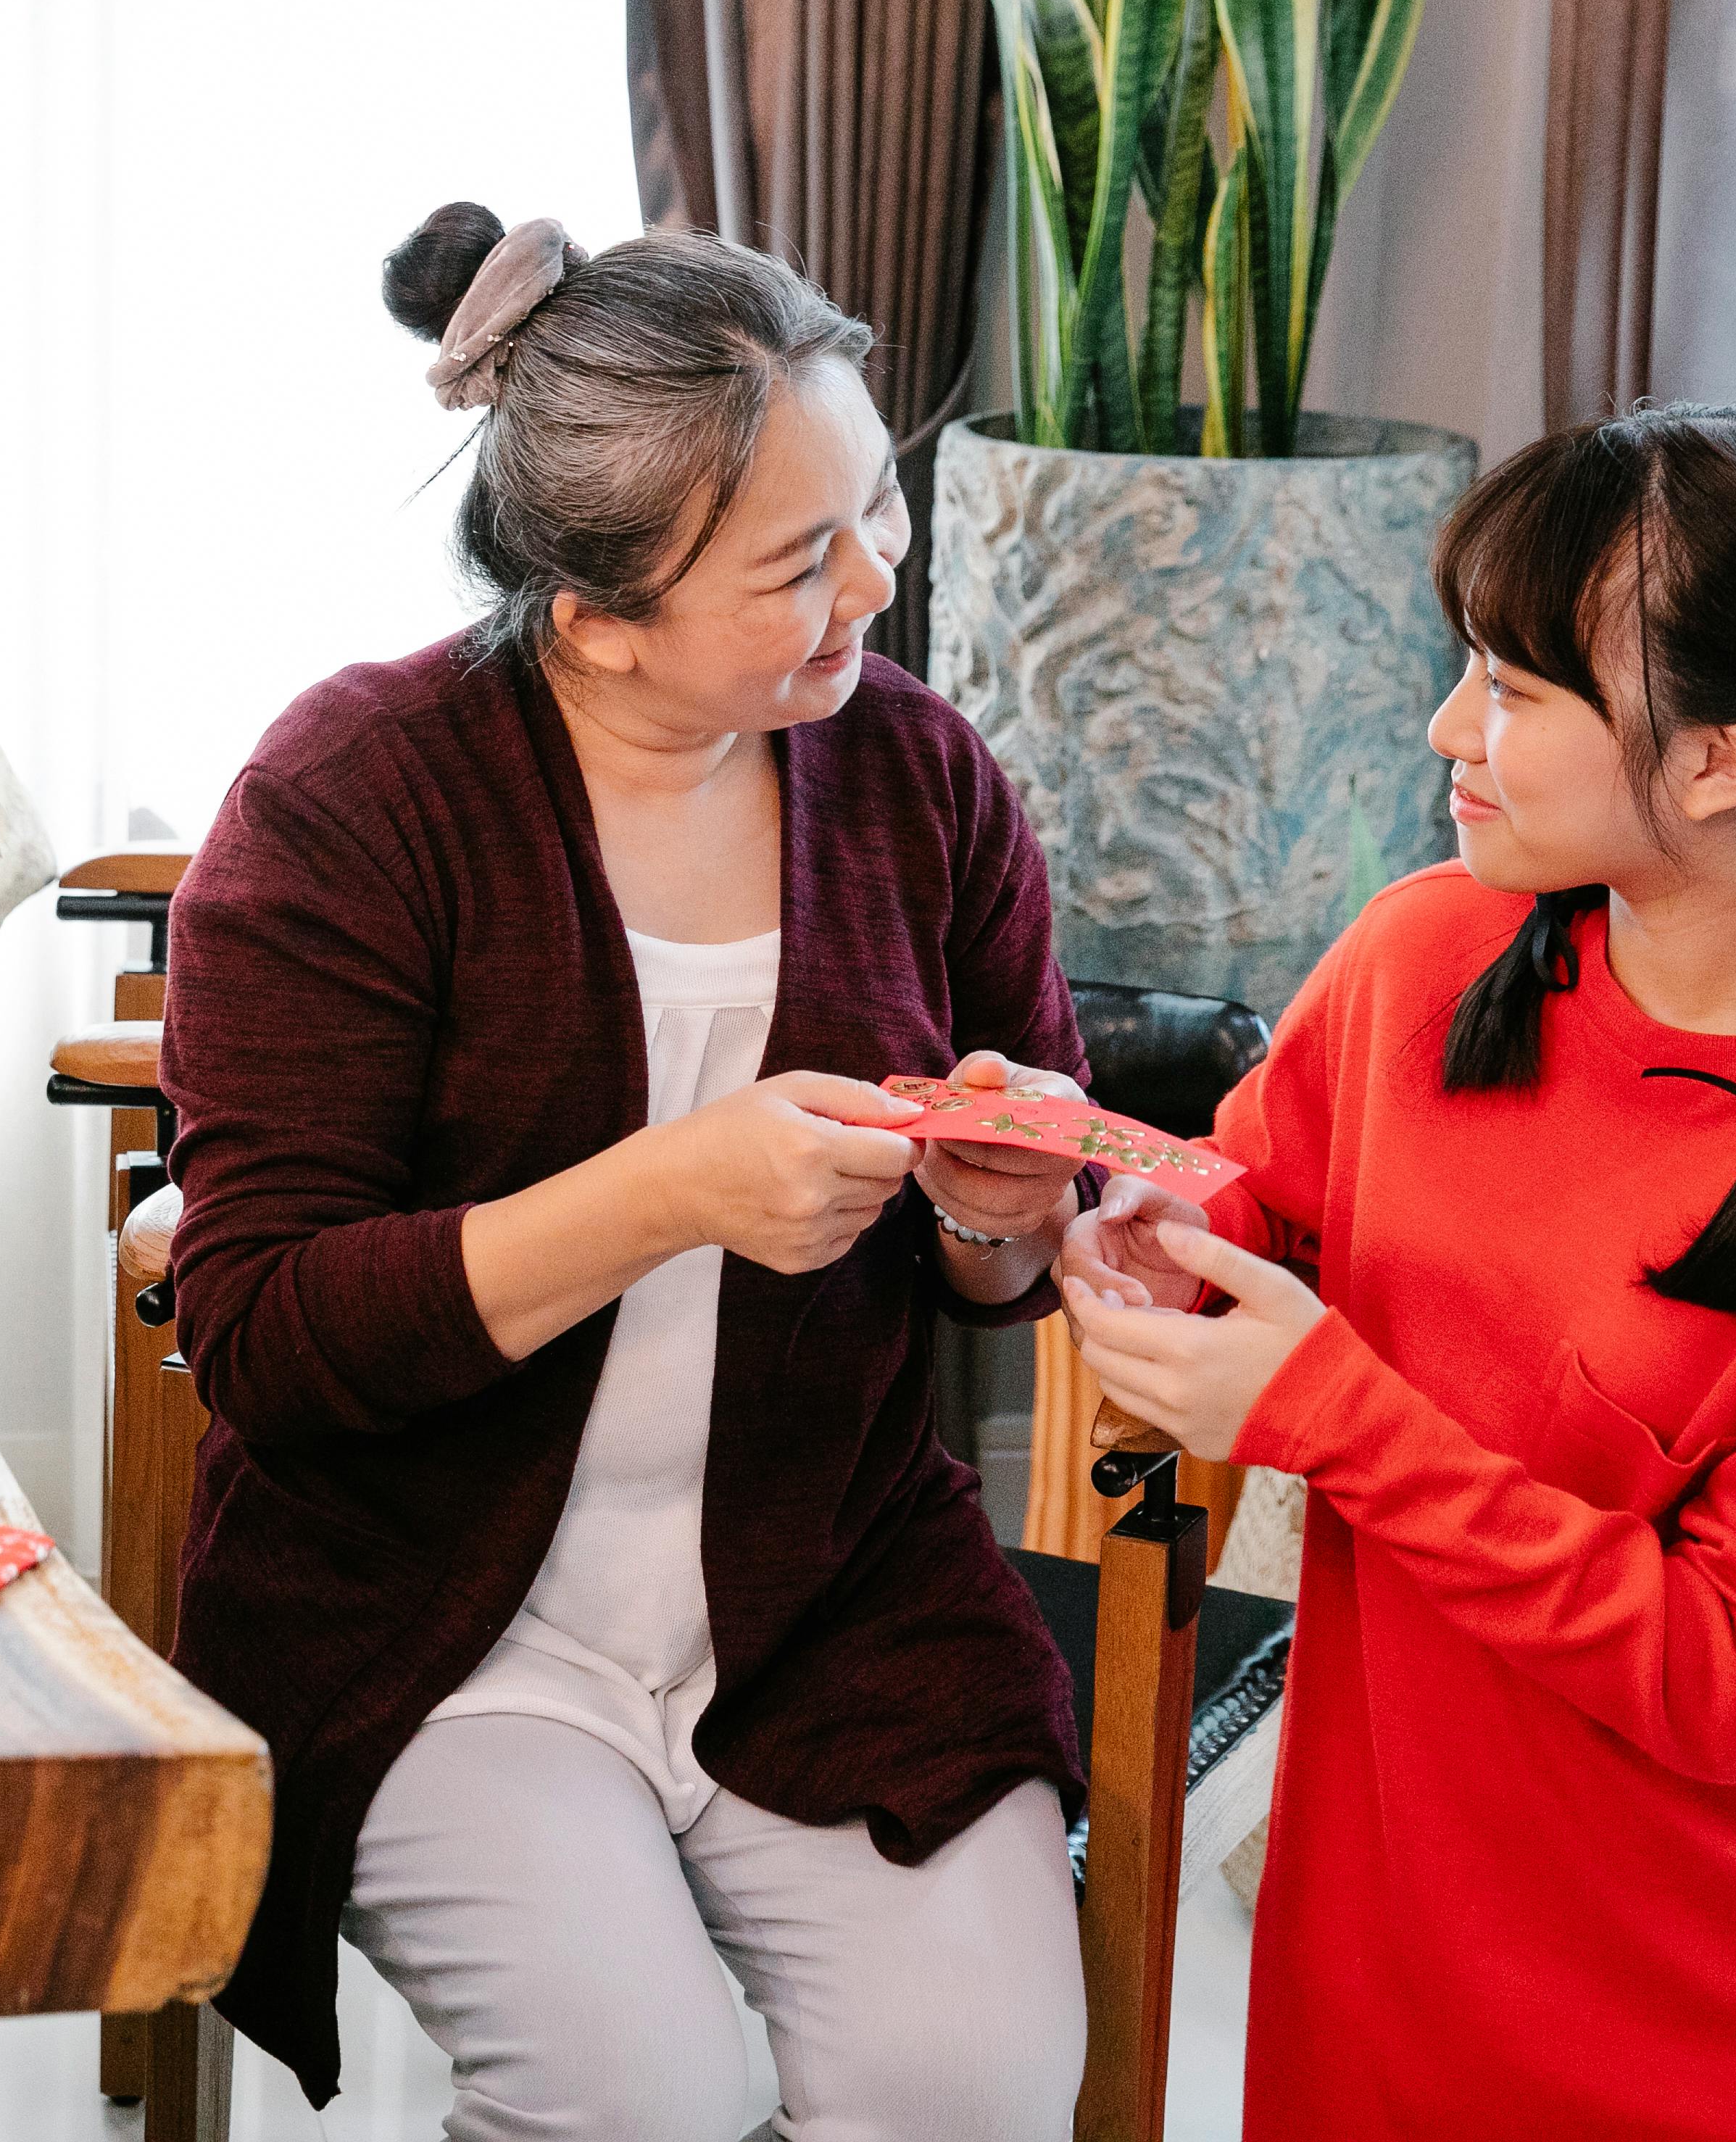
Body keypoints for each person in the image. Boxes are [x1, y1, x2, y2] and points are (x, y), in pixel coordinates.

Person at [155, 204, 1094, 2139]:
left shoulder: (923, 782)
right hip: (437, 1613)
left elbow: (1023, 1248)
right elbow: (262, 1328)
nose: (873, 593)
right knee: (639, 2100)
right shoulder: (355, 799)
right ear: (594, 617)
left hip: (821, 1586)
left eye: (878, 519)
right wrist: (676, 1189)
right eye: (794, 565)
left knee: (976, 2092)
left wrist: (1008, 1222)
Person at [1057, 407, 1736, 2141]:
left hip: (1720, 2005)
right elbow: (1260, 1196)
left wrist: (1333, 1416)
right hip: (1380, 1937)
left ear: (1715, 762)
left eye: (1516, 695)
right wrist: (1109, 1203)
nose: (1448, 727)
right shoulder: (1424, 952)